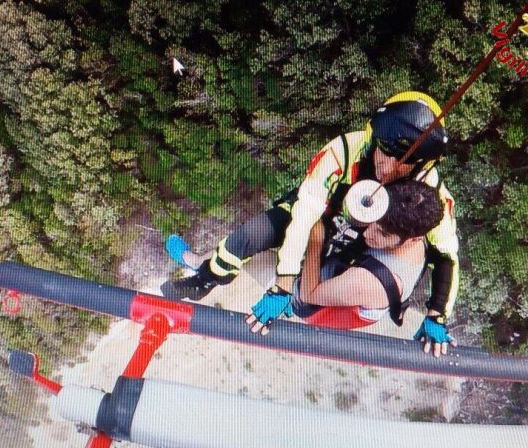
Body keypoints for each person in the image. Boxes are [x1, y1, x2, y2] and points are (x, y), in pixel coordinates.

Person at [161, 91, 459, 352]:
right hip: (320, 214)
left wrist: (437, 312)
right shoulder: (344, 151)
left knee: (274, 268)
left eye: (404, 161)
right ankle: (205, 279)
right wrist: (283, 283)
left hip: (355, 248)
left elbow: (446, 253)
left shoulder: (426, 192)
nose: (389, 167)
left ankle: (202, 263)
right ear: (375, 138)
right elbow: (304, 215)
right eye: (386, 151)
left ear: (422, 165)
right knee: (246, 238)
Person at [246, 180, 453, 356]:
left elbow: (310, 294)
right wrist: (436, 313)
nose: (368, 232)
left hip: (308, 299)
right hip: (338, 270)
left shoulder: (368, 284)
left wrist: (316, 237)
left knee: (259, 264)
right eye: (374, 221)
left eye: (382, 234)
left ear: (413, 240)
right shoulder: (414, 225)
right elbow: (447, 259)